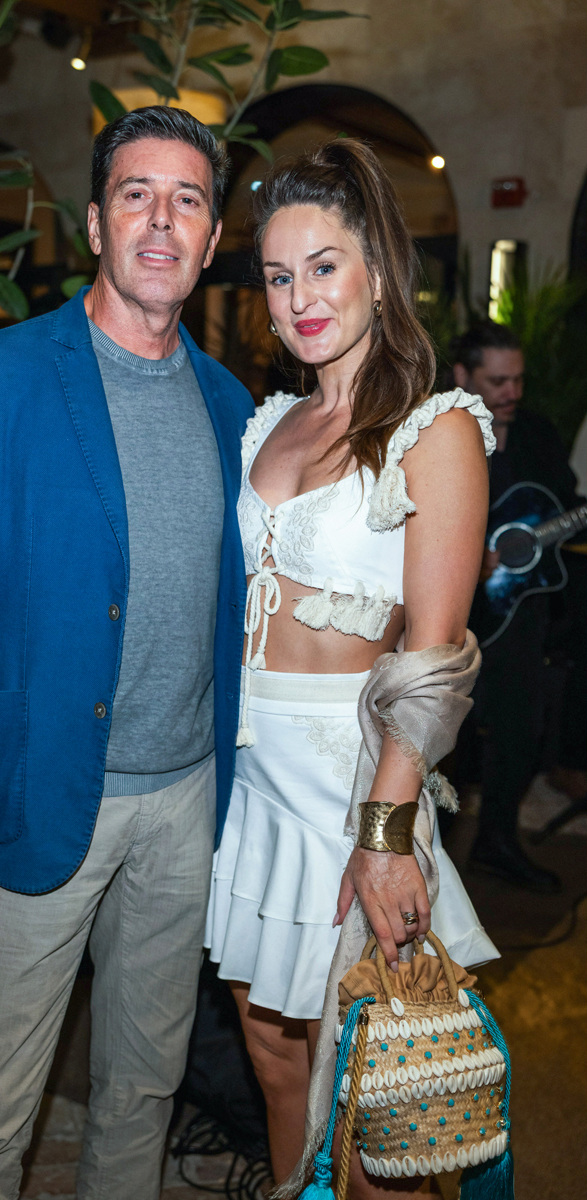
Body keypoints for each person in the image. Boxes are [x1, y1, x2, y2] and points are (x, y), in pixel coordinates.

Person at [0, 106, 253, 1200]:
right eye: (137, 195)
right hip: (32, 803)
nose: (162, 220)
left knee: (143, 1094)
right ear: (96, 224)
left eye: (187, 200)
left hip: (184, 806)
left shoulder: (231, 404)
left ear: (211, 237)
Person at [204, 142, 499, 1195]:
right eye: (278, 276)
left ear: (377, 267)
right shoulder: (267, 424)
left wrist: (383, 837)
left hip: (354, 789)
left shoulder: (435, 429)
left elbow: (435, 658)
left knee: (375, 1089)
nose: (300, 299)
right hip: (253, 785)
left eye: (323, 266)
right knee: (274, 1056)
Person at [452, 321, 581, 892]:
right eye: (498, 381)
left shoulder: (537, 434)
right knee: (445, 740)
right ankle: (430, 852)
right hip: (454, 615)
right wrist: (462, 553)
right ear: (463, 375)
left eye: (518, 380)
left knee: (522, 730)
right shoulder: (439, 431)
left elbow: (566, 506)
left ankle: (497, 841)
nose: (512, 392)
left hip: (521, 614)